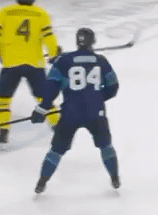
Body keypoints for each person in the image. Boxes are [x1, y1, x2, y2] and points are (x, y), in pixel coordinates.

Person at [30, 28, 121, 193]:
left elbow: (51, 87)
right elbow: (113, 86)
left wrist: (42, 108)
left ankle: (41, 182)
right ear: (93, 41)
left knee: (56, 150)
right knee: (106, 146)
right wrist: (96, 98)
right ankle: (114, 177)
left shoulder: (63, 61)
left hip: (70, 113)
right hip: (96, 112)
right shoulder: (101, 61)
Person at [0, 0, 62, 144]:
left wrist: (0, 54)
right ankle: (58, 128)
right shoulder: (41, 14)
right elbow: (49, 38)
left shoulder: (5, 12)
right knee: (44, 98)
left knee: (3, 99)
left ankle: (3, 132)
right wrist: (53, 55)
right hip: (34, 64)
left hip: (11, 63)